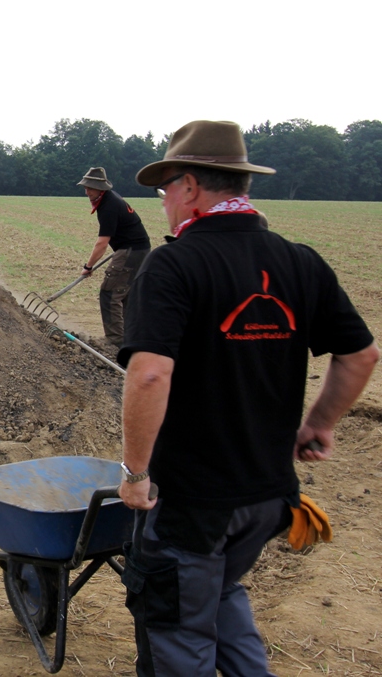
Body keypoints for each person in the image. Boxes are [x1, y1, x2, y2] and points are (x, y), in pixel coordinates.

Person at [117, 120, 379, 676]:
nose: (164, 202)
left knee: (178, 630)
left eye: (166, 188)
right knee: (220, 593)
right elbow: (361, 356)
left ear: (189, 187)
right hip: (267, 496)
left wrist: (136, 473)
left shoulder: (175, 263)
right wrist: (320, 424)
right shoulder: (300, 261)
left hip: (193, 501)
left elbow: (148, 377)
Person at [77, 167, 150, 348]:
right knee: (124, 295)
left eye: (90, 188)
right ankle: (130, 338)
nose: (87, 192)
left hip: (130, 251)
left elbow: (102, 243)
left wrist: (88, 266)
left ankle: (115, 340)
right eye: (85, 188)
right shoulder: (110, 199)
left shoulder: (108, 206)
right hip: (139, 250)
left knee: (110, 293)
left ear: (101, 188)